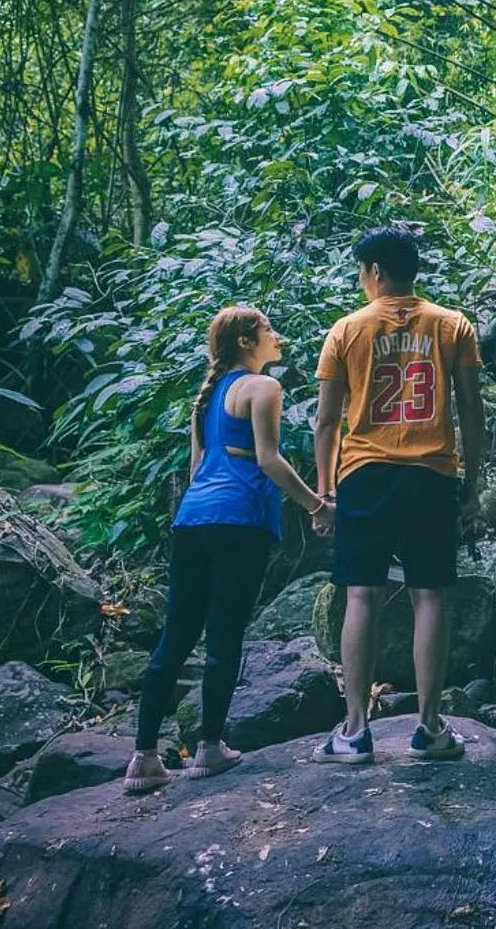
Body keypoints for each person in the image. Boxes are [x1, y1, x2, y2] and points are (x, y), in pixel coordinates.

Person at [125, 306, 333, 795]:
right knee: (224, 633)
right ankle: (209, 748)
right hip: (240, 520)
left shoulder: (207, 397)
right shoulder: (263, 388)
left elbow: (198, 469)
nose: (275, 335)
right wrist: (317, 505)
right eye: (267, 329)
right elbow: (269, 460)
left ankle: (143, 757)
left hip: (193, 519)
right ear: (246, 341)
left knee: (175, 636)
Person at [311, 226, 485, 764]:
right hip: (432, 474)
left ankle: (356, 730)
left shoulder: (345, 330)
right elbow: (470, 413)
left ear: (377, 272)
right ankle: (430, 728)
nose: (362, 281)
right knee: (429, 594)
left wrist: (324, 492)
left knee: (360, 595)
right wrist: (471, 482)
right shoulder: (452, 325)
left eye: (362, 272)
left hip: (364, 472)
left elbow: (325, 422)